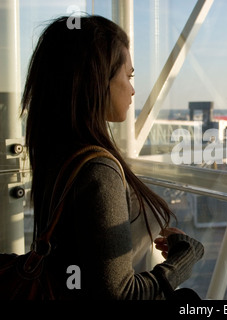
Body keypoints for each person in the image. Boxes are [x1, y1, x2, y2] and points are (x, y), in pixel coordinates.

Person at [20, 14, 204, 299]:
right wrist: (184, 260)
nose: (132, 89)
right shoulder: (97, 169)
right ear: (97, 78)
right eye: (128, 76)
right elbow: (120, 294)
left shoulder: (58, 152)